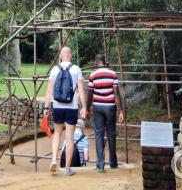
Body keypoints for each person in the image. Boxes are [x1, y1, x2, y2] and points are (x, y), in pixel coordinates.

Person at [43, 46, 87, 176]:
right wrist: (84, 106)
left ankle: (53, 161)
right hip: (71, 107)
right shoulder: (76, 69)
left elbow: (49, 90)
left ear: (61, 56)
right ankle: (67, 169)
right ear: (71, 55)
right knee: (69, 138)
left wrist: (46, 107)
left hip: (57, 106)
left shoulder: (54, 70)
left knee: (57, 133)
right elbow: (81, 89)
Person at [87, 53, 124, 172]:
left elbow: (90, 94)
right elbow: (116, 94)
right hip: (110, 107)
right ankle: (113, 163)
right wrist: (121, 111)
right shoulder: (112, 74)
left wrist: (87, 108)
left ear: (96, 62)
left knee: (99, 134)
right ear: (105, 62)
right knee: (111, 134)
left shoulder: (92, 75)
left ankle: (100, 165)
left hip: (97, 107)